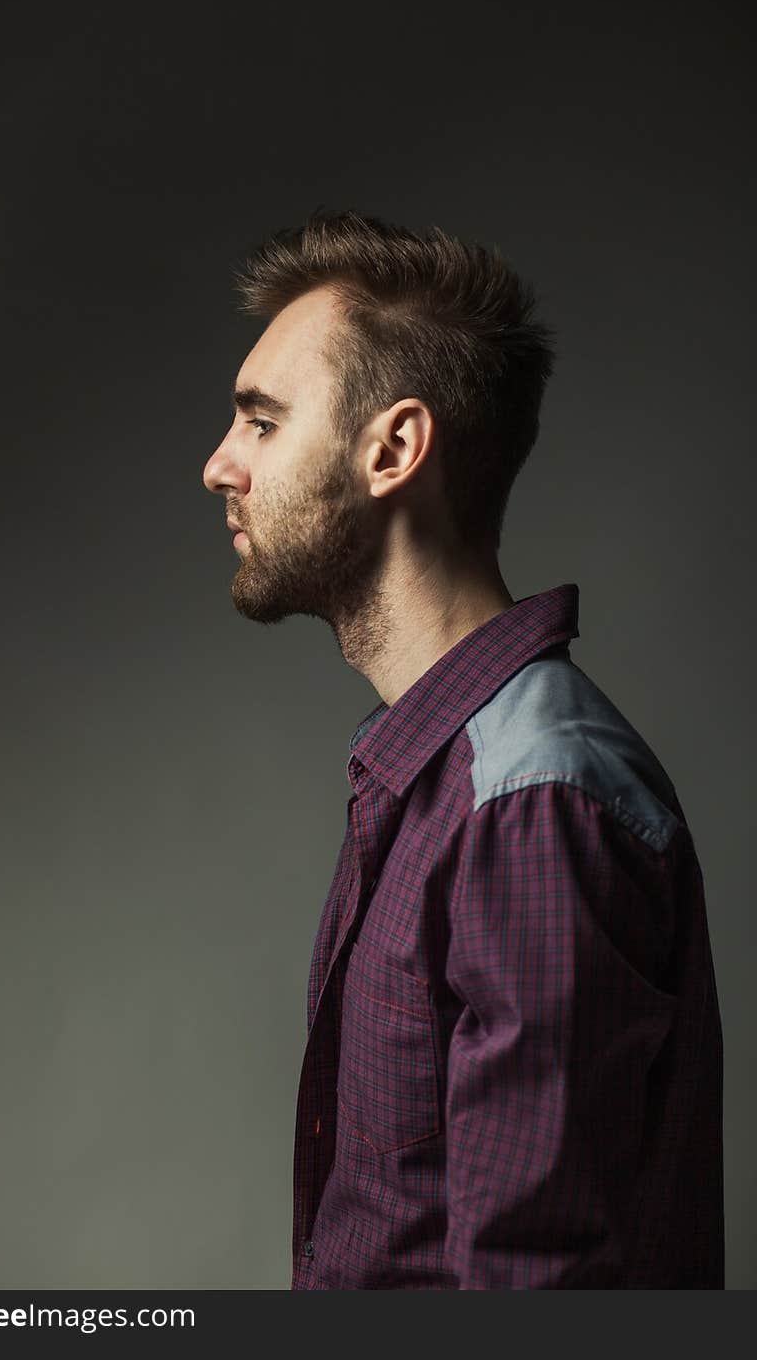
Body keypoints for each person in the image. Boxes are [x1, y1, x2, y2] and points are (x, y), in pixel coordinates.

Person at [202, 208, 724, 1289]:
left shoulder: (533, 802)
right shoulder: (435, 771)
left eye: (260, 420)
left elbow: (537, 1289)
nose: (219, 465)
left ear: (392, 449)